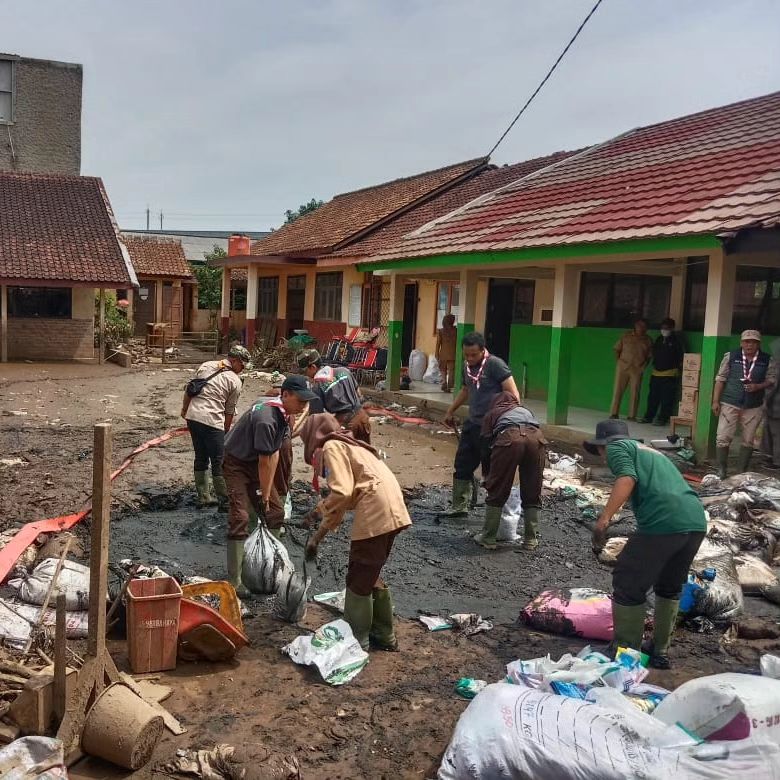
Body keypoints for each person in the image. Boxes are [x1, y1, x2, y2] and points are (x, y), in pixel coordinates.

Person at [585, 419, 706, 669]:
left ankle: (625, 653)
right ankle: (660, 652)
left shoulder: (618, 447)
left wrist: (604, 520)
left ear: (602, 447)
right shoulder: (652, 453)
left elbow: (627, 478)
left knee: (627, 580)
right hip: (694, 520)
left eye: (600, 453)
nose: (604, 458)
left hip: (664, 521)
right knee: (669, 585)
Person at [300, 413, 411, 651]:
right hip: (393, 506)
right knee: (370, 571)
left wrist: (316, 512)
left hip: (376, 508)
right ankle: (383, 634)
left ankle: (357, 639)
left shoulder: (331, 447)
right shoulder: (353, 445)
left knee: (359, 575)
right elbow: (340, 504)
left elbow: (341, 493)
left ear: (312, 437)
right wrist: (316, 540)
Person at [222, 375, 317, 595]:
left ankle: (269, 563)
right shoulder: (267, 419)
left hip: (257, 462)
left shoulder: (284, 414)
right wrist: (262, 496)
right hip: (236, 463)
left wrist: (267, 496)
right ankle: (235, 580)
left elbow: (273, 455)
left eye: (306, 402)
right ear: (285, 395)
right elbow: (265, 461)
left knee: (275, 511)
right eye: (300, 400)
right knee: (240, 517)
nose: (303, 406)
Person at [442, 332, 519, 517]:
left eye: (474, 355)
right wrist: (450, 410)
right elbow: (466, 390)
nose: (469, 358)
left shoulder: (495, 365)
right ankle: (460, 505)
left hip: (492, 427)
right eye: (466, 354)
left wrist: (509, 422)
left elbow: (513, 395)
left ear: (483, 350)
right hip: (472, 423)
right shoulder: (467, 367)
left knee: (491, 471)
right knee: (462, 464)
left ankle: (496, 512)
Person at [180, 345, 251, 510]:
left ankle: (203, 497)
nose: (242, 369)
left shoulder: (206, 366)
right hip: (213, 422)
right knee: (219, 461)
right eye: (242, 365)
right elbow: (229, 410)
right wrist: (226, 430)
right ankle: (225, 501)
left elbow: (190, 390)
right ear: (234, 361)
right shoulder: (234, 381)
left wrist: (185, 410)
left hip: (193, 417)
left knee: (201, 456)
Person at [476, 392, 545, 551]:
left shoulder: (492, 413)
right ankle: (530, 540)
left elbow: (485, 446)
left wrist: (488, 475)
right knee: (532, 488)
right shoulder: (526, 411)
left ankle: (488, 538)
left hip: (509, 437)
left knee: (498, 488)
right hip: (537, 439)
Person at [712, 329, 777, 478]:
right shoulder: (731, 357)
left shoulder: (767, 359)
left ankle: (741, 471)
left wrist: (758, 386)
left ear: (758, 344)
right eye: (747, 342)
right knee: (722, 436)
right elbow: (720, 378)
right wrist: (715, 401)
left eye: (753, 342)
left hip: (754, 405)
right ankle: (721, 470)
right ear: (741, 343)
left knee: (749, 439)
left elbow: (772, 379)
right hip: (730, 402)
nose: (749, 345)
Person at [296, 348, 371, 443]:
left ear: (313, 367)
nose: (305, 375)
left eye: (305, 371)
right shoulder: (344, 370)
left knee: (344, 456)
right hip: (362, 418)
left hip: (346, 426)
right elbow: (359, 394)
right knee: (366, 454)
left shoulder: (317, 387)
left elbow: (316, 419)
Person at [641, 318, 684, 426]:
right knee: (652, 397)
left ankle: (662, 419)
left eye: (667, 328)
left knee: (667, 399)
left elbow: (682, 357)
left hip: (670, 374)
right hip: (656, 373)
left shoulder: (677, 341)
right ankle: (648, 417)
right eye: (663, 328)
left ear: (672, 328)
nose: (664, 330)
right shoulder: (659, 339)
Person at [610, 319, 652, 421]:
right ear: (635, 326)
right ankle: (614, 413)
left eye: (644, 326)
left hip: (637, 369)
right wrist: (619, 362)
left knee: (635, 392)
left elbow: (649, 356)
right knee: (618, 391)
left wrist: (643, 367)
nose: (642, 328)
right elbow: (616, 349)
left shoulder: (648, 340)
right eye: (640, 326)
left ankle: (632, 416)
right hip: (623, 367)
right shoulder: (626, 336)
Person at [761, 339, 780, 470]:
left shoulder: (776, 363)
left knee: (775, 433)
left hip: (776, 405)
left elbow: (774, 384)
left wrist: (765, 400)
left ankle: (776, 461)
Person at [435, 313, 457, 392]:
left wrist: (436, 353)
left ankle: (444, 382)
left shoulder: (441, 331)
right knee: (451, 370)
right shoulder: (456, 330)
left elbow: (438, 343)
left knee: (442, 369)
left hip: (443, 354)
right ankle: (450, 386)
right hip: (453, 354)